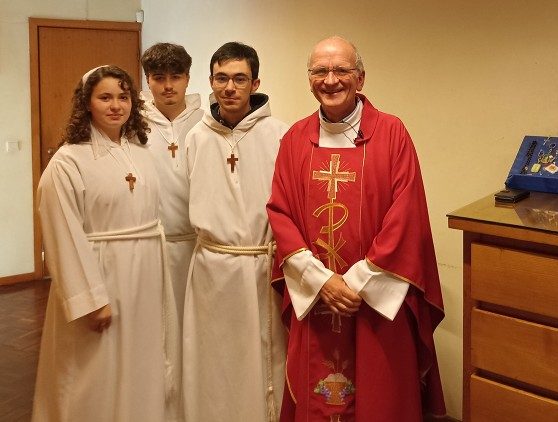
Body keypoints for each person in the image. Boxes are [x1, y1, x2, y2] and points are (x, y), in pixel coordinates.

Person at [266, 36, 446, 421]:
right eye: (320, 71)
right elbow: (280, 213)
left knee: (380, 398)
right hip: (318, 299)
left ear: (360, 78)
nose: (330, 80)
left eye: (341, 70)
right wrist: (321, 282)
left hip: (376, 304)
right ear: (309, 79)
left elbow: (407, 214)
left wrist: (356, 282)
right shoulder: (295, 139)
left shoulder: (392, 133)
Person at [33, 65, 174, 422]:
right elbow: (62, 233)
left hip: (144, 276)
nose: (116, 106)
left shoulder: (140, 150)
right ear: (87, 104)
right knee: (95, 369)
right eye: (105, 97)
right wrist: (91, 300)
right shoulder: (68, 161)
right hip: (101, 276)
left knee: (140, 361)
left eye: (123, 97)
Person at [182, 41, 289, 422]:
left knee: (261, 356)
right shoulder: (195, 137)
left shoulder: (280, 135)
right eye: (221, 78)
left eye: (239, 79)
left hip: (261, 266)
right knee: (214, 358)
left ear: (255, 83)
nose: (229, 87)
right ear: (210, 82)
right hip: (211, 268)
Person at [141, 43, 204, 324]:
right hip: (153, 244)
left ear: (188, 78)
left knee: (194, 323)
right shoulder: (133, 126)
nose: (168, 86)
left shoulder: (207, 121)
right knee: (157, 324)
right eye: (159, 78)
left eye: (175, 77)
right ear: (148, 80)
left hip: (198, 246)